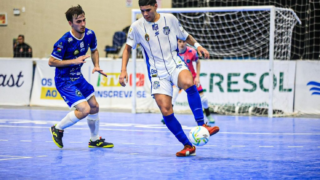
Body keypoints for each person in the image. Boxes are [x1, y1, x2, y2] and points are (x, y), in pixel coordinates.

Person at [119, 0, 220, 157]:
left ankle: (202, 125)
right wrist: (123, 70)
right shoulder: (136, 27)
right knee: (166, 110)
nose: (145, 14)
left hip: (174, 63)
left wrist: (198, 46)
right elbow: (127, 49)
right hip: (156, 72)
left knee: (188, 83)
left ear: (156, 6)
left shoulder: (170, 19)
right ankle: (187, 145)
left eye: (148, 10)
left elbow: (185, 36)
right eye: (142, 10)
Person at [48, 5, 113, 148]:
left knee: (94, 106)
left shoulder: (90, 34)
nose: (83, 24)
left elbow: (94, 50)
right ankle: (57, 128)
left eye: (84, 20)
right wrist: (73, 61)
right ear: (70, 23)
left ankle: (94, 140)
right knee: (85, 110)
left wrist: (96, 65)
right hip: (64, 81)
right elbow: (51, 62)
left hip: (78, 78)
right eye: (78, 21)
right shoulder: (64, 41)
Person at [161, 40, 215, 124]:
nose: (182, 44)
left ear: (186, 42)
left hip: (191, 78)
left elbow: (198, 62)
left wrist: (197, 76)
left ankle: (208, 114)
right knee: (174, 93)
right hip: (178, 77)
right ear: (177, 42)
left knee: (203, 99)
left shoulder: (192, 51)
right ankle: (168, 117)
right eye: (179, 42)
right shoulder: (173, 53)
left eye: (183, 42)